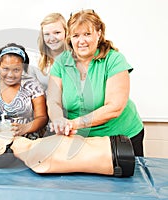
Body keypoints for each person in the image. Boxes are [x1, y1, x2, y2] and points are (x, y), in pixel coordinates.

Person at [47, 9, 144, 156]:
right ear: (70, 38)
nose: (81, 41)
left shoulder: (114, 60)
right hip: (81, 138)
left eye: (87, 34)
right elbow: (53, 101)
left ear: (99, 34)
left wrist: (73, 124)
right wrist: (58, 120)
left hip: (121, 135)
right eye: (76, 35)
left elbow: (114, 107)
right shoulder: (61, 62)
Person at [0, 43, 49, 167]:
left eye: (16, 70)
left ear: (23, 68)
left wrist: (25, 128)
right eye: (5, 69)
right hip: (0, 135)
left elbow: (42, 117)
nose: (10, 75)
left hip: (28, 138)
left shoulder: (32, 85)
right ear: (0, 65)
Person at [0, 132, 135, 177]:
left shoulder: (35, 148)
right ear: (0, 149)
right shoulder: (35, 159)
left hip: (115, 145)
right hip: (118, 155)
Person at [28, 13, 68, 92]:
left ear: (66, 32)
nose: (52, 38)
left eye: (57, 33)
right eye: (47, 34)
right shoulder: (36, 63)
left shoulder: (76, 59)